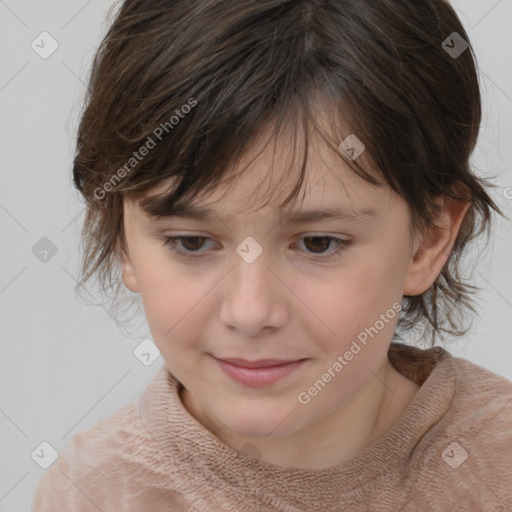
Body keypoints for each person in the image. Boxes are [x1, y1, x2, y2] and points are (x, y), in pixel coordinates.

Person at [31, 0, 512, 510]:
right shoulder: (94, 493)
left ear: (429, 238)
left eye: (317, 243)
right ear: (124, 237)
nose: (250, 312)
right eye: (191, 242)